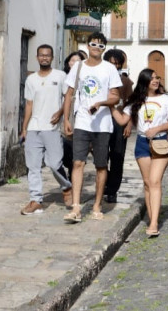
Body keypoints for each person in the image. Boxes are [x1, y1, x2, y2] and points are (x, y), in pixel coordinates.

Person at [61, 33, 121, 223]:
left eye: (101, 45)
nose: (97, 47)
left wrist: (101, 103)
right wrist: (66, 120)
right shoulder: (78, 67)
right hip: (82, 122)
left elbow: (116, 96)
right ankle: (76, 207)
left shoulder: (109, 69)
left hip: (103, 124)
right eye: (94, 44)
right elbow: (69, 94)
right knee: (78, 162)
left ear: (104, 48)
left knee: (101, 165)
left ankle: (97, 204)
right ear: (87, 46)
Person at [110, 69, 168, 236]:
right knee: (147, 183)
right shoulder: (136, 101)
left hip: (160, 142)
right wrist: (110, 107)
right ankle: (152, 217)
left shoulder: (166, 99)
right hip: (142, 143)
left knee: (154, 181)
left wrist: (158, 128)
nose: (156, 80)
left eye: (157, 77)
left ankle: (153, 224)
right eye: (152, 78)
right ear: (144, 81)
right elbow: (123, 120)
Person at [19, 45, 73, 215]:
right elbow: (29, 104)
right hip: (34, 127)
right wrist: (24, 128)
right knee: (33, 166)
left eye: (47, 55)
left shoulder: (60, 76)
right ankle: (35, 200)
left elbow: (68, 98)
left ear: (52, 57)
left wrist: (61, 114)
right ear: (37, 57)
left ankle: (66, 186)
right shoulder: (31, 80)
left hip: (52, 128)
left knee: (55, 163)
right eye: (41, 55)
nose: (44, 58)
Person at [103, 49, 134, 203]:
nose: (114, 66)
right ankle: (105, 182)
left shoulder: (125, 82)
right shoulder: (100, 78)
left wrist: (129, 124)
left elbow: (131, 104)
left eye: (117, 63)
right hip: (102, 121)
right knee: (101, 156)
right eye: (111, 62)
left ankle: (112, 190)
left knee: (117, 156)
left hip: (119, 122)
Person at [59, 50, 87, 182]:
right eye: (72, 60)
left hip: (75, 116)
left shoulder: (83, 78)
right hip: (60, 116)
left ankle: (73, 172)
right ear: (67, 62)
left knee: (74, 146)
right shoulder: (61, 77)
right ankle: (70, 167)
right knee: (63, 147)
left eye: (78, 61)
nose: (74, 63)